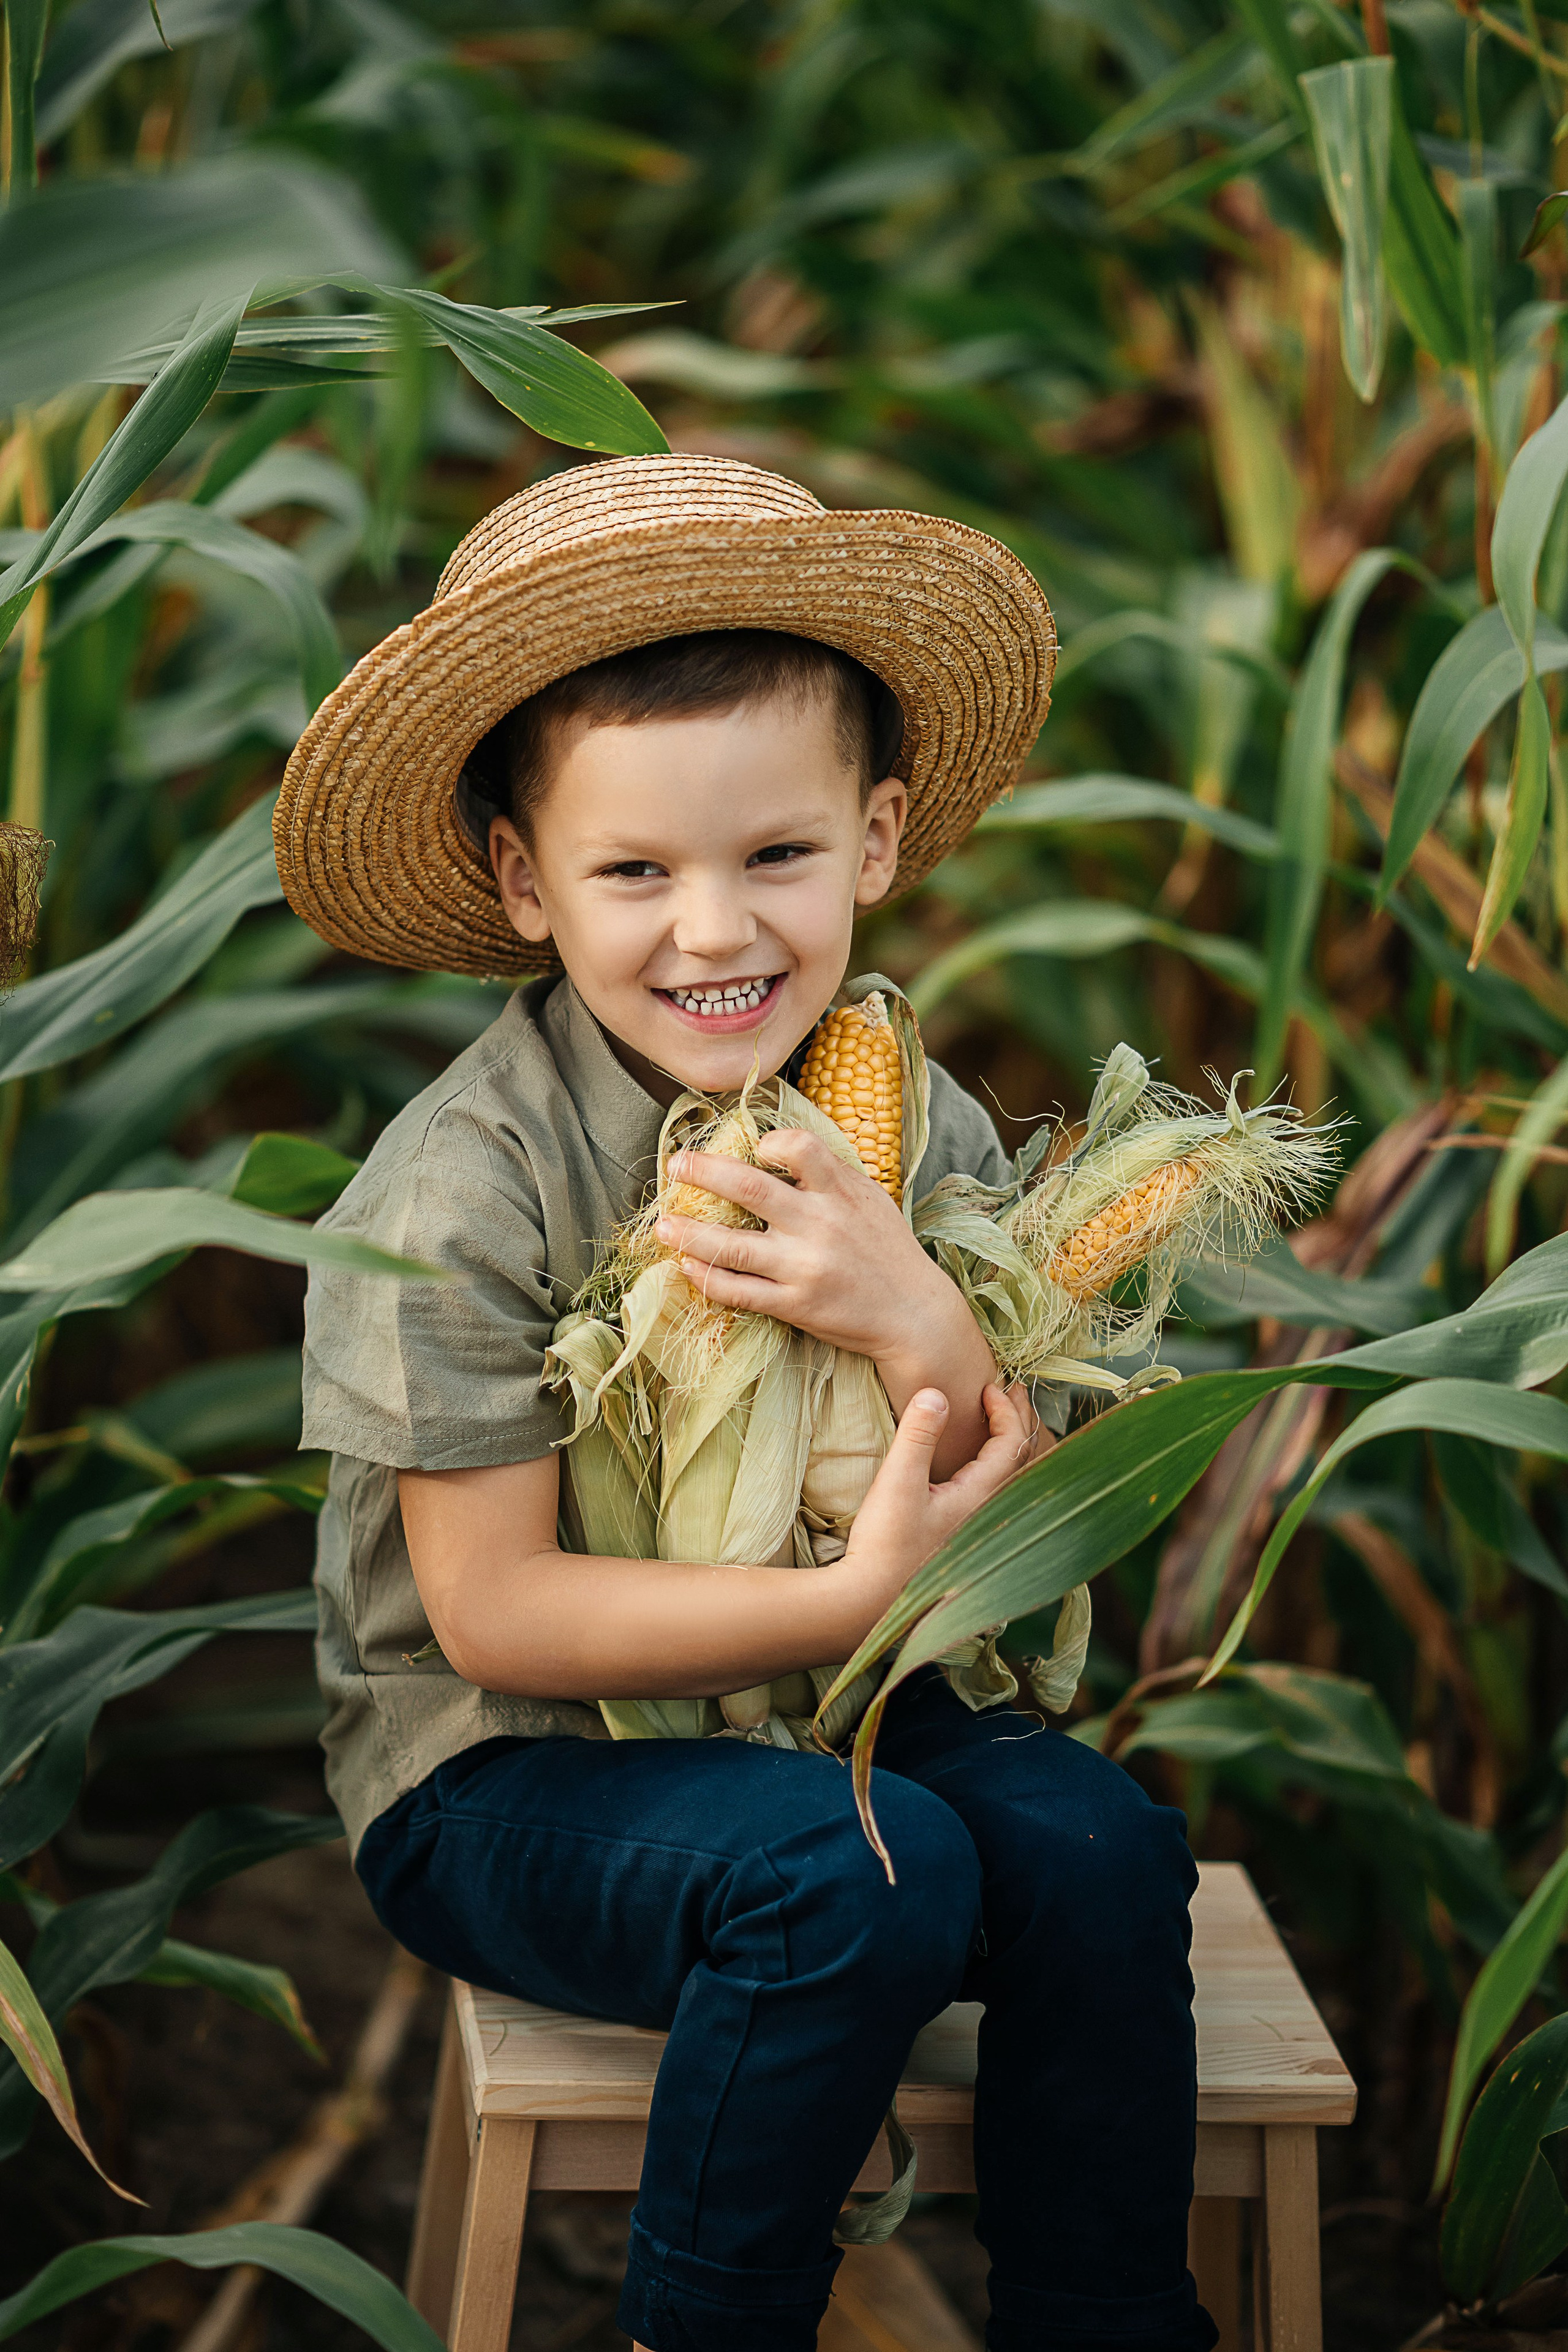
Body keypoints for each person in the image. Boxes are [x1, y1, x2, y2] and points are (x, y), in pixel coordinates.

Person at [278, 455, 1214, 2352]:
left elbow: (998, 1477)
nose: (717, 935)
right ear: (524, 882)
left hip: (824, 1710)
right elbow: (497, 1615)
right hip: (512, 1776)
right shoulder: (469, 1191)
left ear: (874, 843)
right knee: (863, 1875)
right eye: (636, 873)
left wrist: (916, 1304)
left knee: (1107, 1850)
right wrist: (845, 1604)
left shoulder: (905, 1113)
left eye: (775, 857)